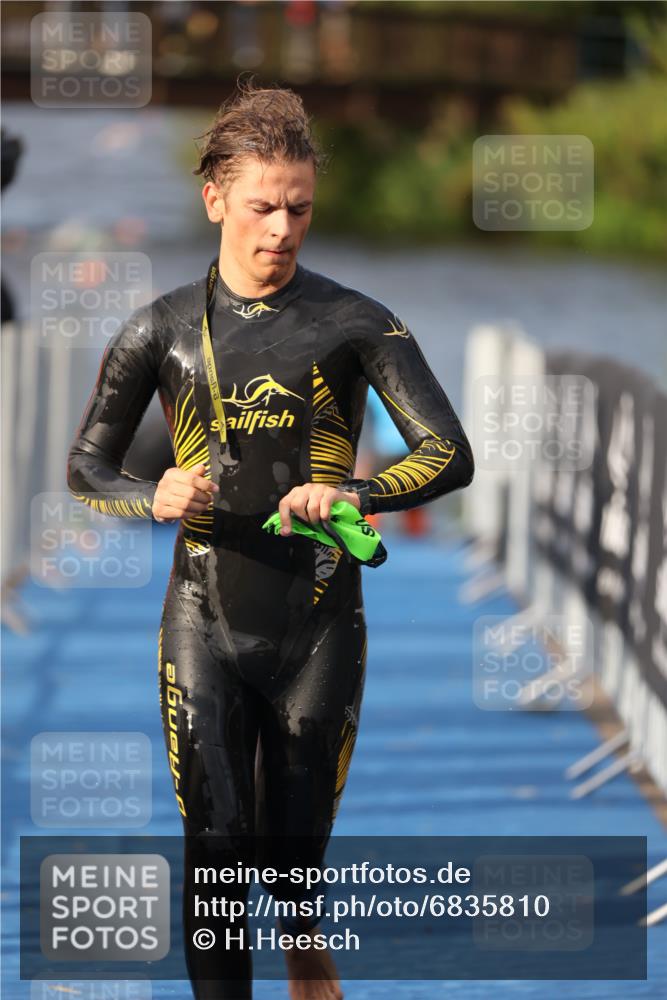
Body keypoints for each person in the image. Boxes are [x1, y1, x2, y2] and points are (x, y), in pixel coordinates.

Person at [67, 80, 474, 1000]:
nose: (281, 228)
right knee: (214, 853)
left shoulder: (357, 323)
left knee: (289, 853)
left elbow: (450, 455)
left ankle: (302, 929)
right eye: (261, 207)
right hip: (202, 613)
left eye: (299, 208)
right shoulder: (159, 328)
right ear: (215, 200)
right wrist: (155, 492)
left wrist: (353, 491)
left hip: (318, 620)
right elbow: (86, 471)